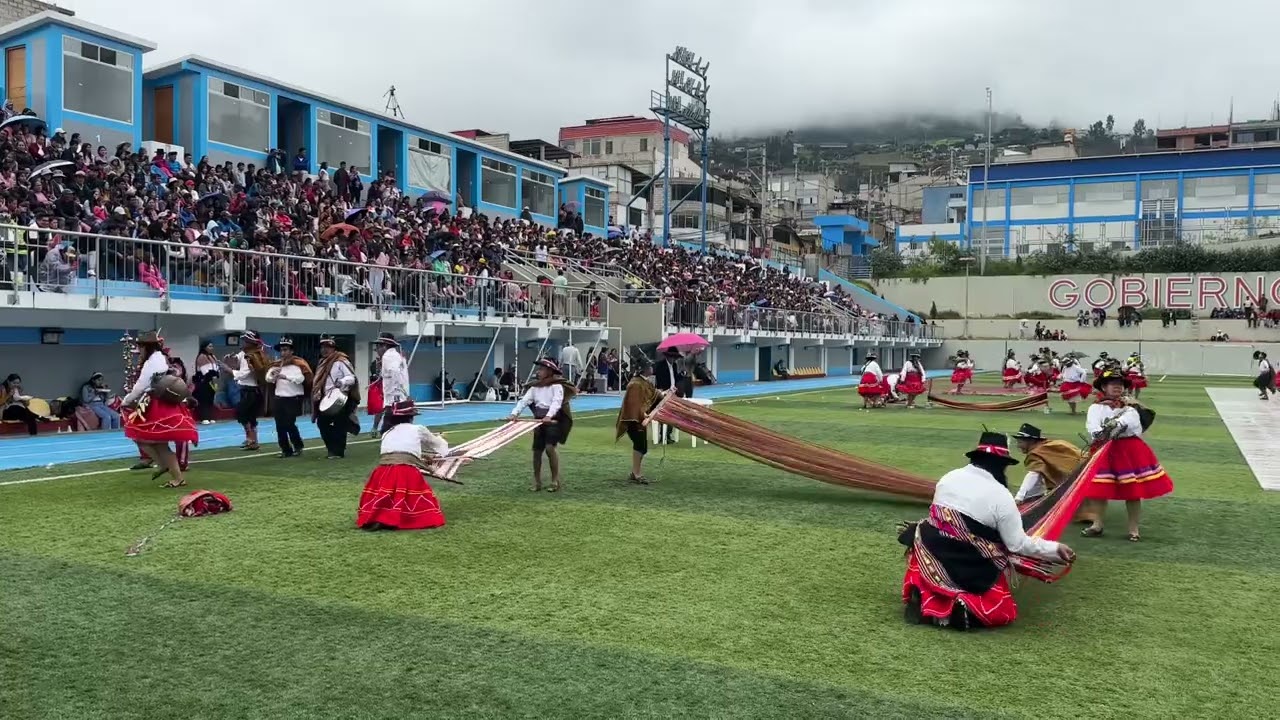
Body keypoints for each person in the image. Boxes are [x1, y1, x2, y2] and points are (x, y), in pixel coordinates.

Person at [899, 431, 1075, 630]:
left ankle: (923, 595)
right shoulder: (1001, 496)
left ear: (976, 458)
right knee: (1002, 609)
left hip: (930, 546)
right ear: (1002, 466)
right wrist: (1055, 549)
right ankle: (964, 607)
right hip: (966, 560)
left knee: (930, 532)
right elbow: (1017, 544)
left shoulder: (949, 477)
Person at [1081, 370, 1173, 542]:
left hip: (1128, 449)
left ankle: (1133, 529)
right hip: (1104, 449)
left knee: (1132, 490)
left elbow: (1134, 426)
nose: (1117, 387)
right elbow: (1093, 428)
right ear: (1104, 387)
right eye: (1112, 384)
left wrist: (1117, 423)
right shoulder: (1095, 407)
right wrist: (1102, 432)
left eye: (1120, 384)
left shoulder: (1130, 408)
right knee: (1099, 489)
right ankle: (1097, 524)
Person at [356, 399, 449, 531]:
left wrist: (422, 457)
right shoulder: (418, 429)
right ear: (411, 417)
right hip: (404, 470)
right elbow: (437, 445)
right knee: (424, 504)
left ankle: (381, 515)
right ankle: (400, 517)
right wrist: (445, 449)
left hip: (382, 471)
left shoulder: (387, 433)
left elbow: (399, 452)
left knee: (385, 495)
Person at [121, 331, 198, 488]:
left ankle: (168, 470)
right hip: (159, 402)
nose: (139, 351)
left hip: (155, 404)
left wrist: (126, 400)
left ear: (145, 347)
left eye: (140, 347)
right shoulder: (159, 358)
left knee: (141, 436)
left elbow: (141, 385)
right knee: (154, 442)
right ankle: (172, 472)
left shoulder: (152, 362)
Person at [509, 358, 575, 492]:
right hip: (539, 421)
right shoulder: (535, 387)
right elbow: (524, 401)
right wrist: (514, 414)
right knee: (537, 451)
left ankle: (555, 481)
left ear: (549, 371)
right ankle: (537, 482)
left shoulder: (557, 386)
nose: (538, 372)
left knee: (550, 448)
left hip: (553, 420)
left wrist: (548, 416)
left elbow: (557, 402)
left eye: (541, 369)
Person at [312, 334, 359, 459]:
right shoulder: (321, 363)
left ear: (333, 348)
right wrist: (317, 392)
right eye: (322, 347)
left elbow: (352, 378)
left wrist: (342, 382)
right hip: (326, 399)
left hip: (341, 398)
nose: (324, 349)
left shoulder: (341, 361)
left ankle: (338, 452)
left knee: (339, 425)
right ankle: (331, 449)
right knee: (322, 423)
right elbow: (319, 382)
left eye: (327, 346)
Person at [265, 337, 312, 458]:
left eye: (286, 350)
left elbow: (301, 379)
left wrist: (285, 377)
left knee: (289, 423)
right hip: (279, 397)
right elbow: (267, 378)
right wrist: (273, 376)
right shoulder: (276, 365)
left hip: (293, 398)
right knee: (279, 425)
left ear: (291, 351)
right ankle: (285, 449)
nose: (283, 353)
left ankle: (298, 445)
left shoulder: (298, 365)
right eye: (281, 350)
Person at [615, 360, 662, 484]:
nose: (652, 367)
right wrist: (642, 414)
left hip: (639, 419)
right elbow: (634, 404)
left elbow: (653, 394)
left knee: (642, 447)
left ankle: (635, 472)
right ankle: (636, 473)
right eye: (650, 366)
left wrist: (664, 394)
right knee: (640, 446)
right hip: (633, 420)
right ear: (644, 369)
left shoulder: (644, 382)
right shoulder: (635, 384)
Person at [229, 330, 270, 451]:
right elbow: (237, 361)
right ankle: (253, 440)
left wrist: (228, 370)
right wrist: (232, 359)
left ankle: (251, 439)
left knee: (241, 414)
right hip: (245, 389)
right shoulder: (244, 353)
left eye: (246, 340)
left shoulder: (252, 355)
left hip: (252, 390)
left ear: (252, 342)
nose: (244, 342)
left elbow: (243, 374)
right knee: (249, 416)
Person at [375, 332, 409, 437]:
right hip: (399, 397)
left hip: (394, 399)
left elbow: (395, 374)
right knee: (400, 428)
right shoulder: (396, 356)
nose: (377, 350)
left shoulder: (388, 356)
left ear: (384, 346)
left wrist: (395, 396)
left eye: (378, 346)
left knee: (387, 431)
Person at [654, 347, 684, 443]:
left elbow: (675, 377)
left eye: (675, 358)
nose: (674, 360)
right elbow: (659, 380)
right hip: (663, 393)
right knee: (665, 414)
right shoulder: (660, 366)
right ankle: (663, 436)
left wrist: (682, 375)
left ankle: (668, 435)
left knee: (672, 414)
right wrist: (665, 390)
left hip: (672, 393)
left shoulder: (674, 365)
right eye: (673, 357)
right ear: (668, 356)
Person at [192, 341, 220, 425]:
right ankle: (204, 417)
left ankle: (210, 417)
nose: (212, 348)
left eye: (212, 346)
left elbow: (216, 369)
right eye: (210, 346)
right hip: (203, 382)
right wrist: (213, 374)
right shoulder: (202, 357)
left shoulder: (213, 357)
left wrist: (216, 374)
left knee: (210, 400)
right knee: (204, 400)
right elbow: (206, 372)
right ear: (205, 347)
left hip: (212, 381)